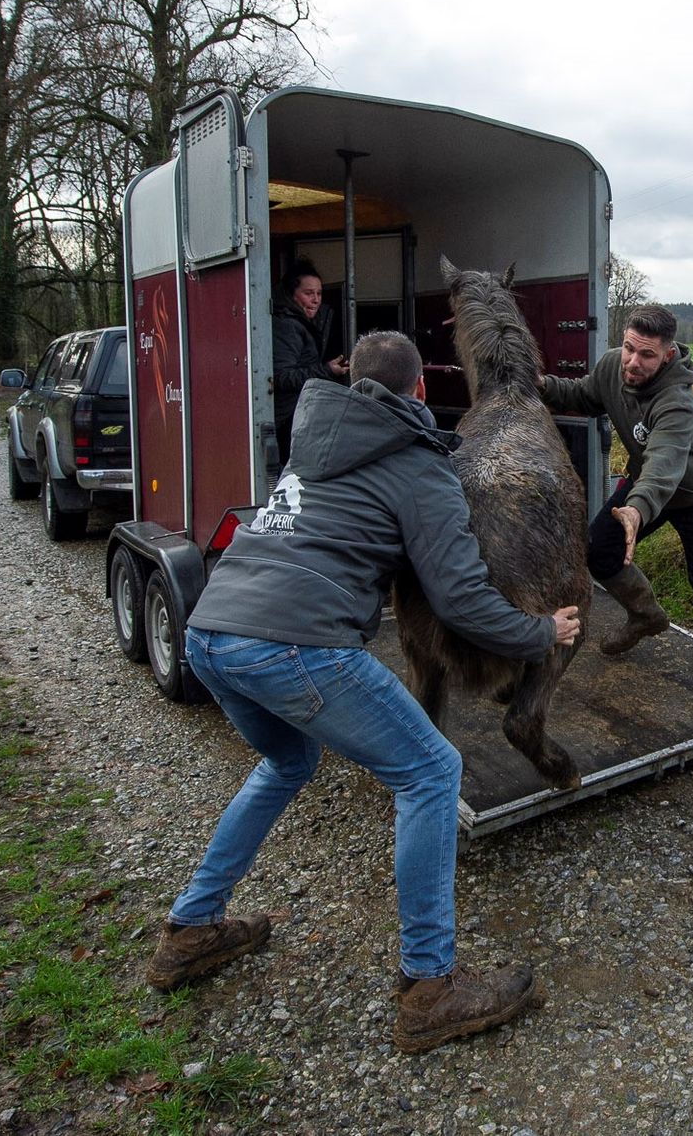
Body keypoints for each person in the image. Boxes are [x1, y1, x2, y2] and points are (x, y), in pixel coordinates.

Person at [143, 331, 581, 1055]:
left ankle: (191, 927)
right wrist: (541, 632)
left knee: (287, 764)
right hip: (295, 645)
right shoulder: (418, 465)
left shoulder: (312, 447)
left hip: (211, 632)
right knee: (432, 770)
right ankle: (430, 987)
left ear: (352, 383)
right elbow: (463, 600)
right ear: (418, 391)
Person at [537, 304, 693, 710]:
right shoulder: (612, 367)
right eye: (629, 349)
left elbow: (664, 465)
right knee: (598, 551)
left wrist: (635, 510)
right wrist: (540, 384)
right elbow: (582, 395)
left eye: (647, 355)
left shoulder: (677, 401)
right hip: (647, 483)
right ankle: (645, 615)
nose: (633, 363)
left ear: (668, 354)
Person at [272, 258, 350, 463]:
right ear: (291, 294)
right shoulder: (288, 326)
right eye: (308, 293)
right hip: (287, 416)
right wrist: (327, 370)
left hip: (296, 413)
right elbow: (280, 377)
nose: (316, 300)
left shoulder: (304, 321)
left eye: (319, 293)